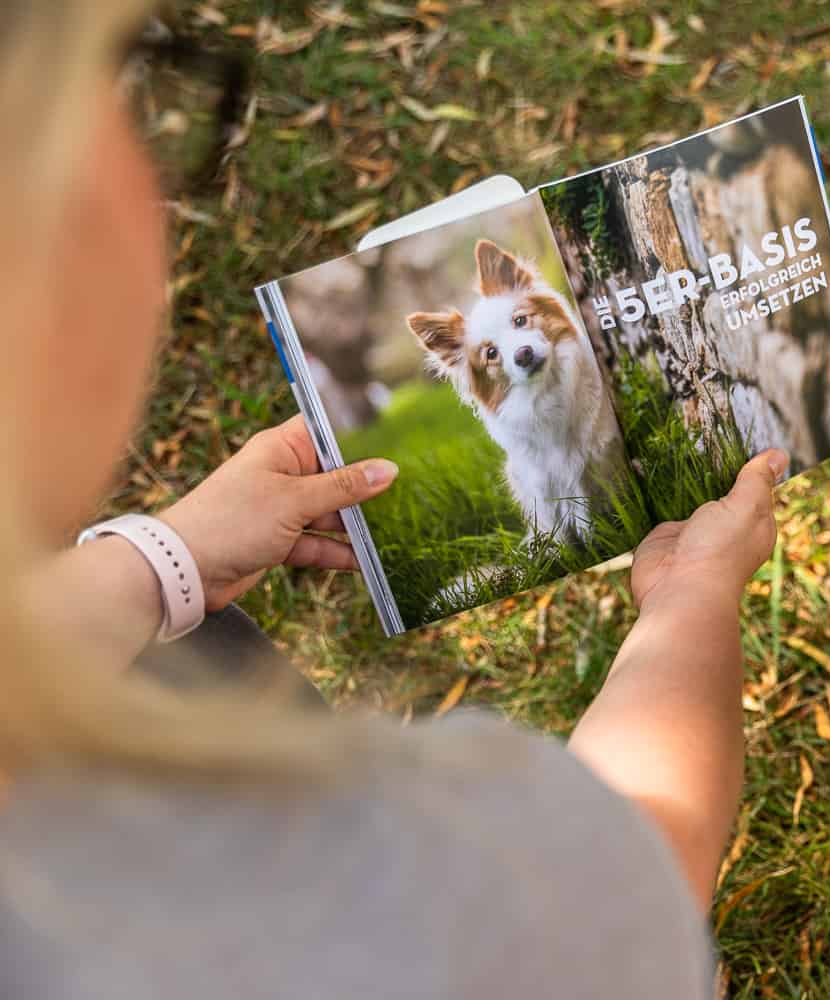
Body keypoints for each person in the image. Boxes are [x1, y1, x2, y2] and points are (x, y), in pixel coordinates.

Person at [0, 4, 785, 996]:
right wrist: (690, 602)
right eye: (132, 75)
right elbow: (630, 860)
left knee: (192, 638)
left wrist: (167, 558)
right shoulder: (317, 909)